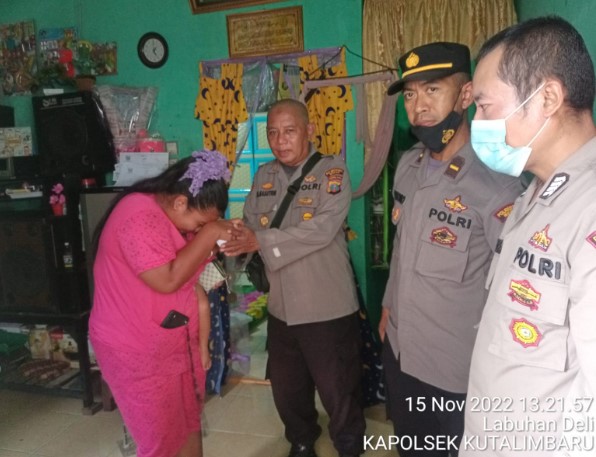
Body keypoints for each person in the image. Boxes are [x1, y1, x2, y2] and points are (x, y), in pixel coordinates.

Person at [379, 42, 525, 456]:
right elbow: (403, 251)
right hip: (403, 352)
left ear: (464, 95)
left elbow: (514, 287)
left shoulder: (496, 183)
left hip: (456, 369)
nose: (418, 106)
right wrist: (389, 306)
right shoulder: (408, 166)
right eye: (409, 94)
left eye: (431, 90)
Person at [461, 16, 596, 457]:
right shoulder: (537, 193)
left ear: (549, 98)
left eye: (484, 106)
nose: (476, 122)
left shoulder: (589, 207)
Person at [221, 98, 366, 457]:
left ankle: (350, 447)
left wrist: (260, 239)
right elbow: (252, 221)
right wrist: (236, 237)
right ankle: (302, 441)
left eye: (289, 131)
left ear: (309, 131)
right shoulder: (265, 176)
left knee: (338, 389)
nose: (280, 140)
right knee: (287, 388)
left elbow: (321, 230)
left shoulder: (332, 173)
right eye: (273, 133)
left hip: (326, 306)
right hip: (282, 306)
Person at [89, 150, 239, 457]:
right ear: (181, 202)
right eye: (199, 223)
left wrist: (202, 344)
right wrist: (210, 232)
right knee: (160, 444)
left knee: (188, 427)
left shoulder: (171, 216)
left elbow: (192, 284)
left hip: (176, 347)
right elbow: (167, 279)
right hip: (136, 353)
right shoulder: (139, 216)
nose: (198, 231)